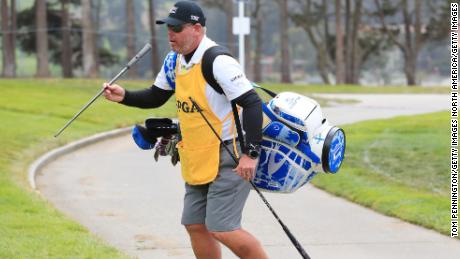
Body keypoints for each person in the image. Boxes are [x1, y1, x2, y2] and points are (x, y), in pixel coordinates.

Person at [103, 1, 268, 259]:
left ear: (197, 29)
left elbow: (252, 103)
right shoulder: (174, 61)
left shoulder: (218, 61)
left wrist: (251, 154)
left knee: (223, 229)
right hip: (196, 155)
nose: (170, 34)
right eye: (168, 27)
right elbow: (157, 96)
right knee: (195, 225)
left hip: (230, 155)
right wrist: (124, 96)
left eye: (177, 29)